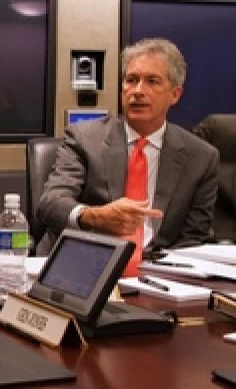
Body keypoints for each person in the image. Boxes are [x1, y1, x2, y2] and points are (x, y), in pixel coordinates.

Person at [36, 38, 219, 260]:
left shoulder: (201, 157)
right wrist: (95, 216)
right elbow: (51, 203)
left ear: (175, 94)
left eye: (152, 81)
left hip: (156, 272)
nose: (138, 91)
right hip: (84, 261)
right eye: (131, 80)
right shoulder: (84, 138)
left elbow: (194, 238)